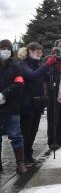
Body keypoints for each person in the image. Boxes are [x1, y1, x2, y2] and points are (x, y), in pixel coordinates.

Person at [20, 42, 50, 163]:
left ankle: (28, 154)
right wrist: (46, 65)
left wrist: (54, 67)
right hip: (26, 104)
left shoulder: (38, 64)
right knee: (25, 131)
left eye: (40, 52)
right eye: (37, 52)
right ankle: (22, 156)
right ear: (30, 51)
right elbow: (32, 76)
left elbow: (46, 77)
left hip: (38, 102)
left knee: (33, 130)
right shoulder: (23, 64)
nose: (39, 54)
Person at [0, 39, 27, 174]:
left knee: (15, 135)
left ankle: (20, 163)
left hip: (12, 107)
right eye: (3, 48)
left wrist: (4, 95)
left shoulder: (16, 67)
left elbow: (19, 83)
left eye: (8, 48)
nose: (5, 50)